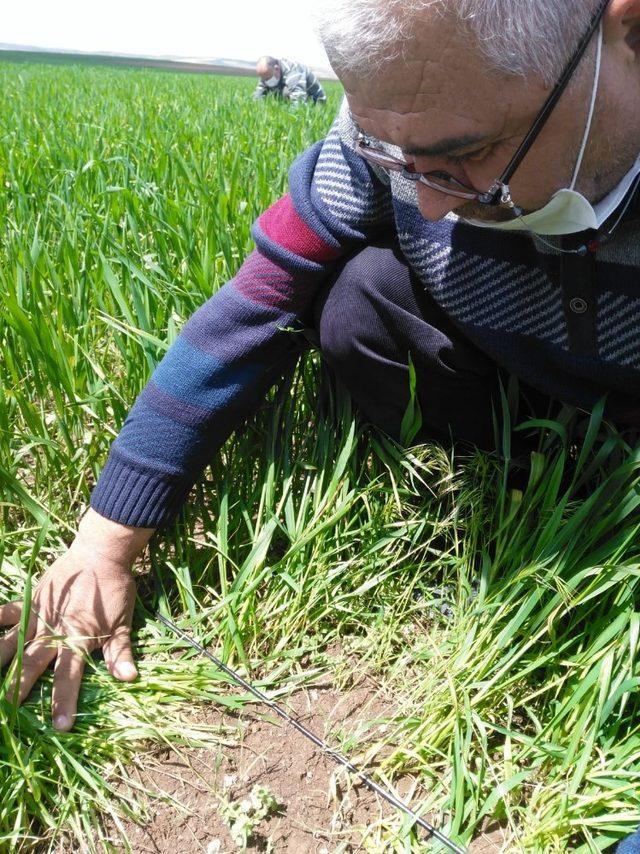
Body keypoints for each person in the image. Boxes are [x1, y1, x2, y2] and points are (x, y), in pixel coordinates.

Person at [1, 0, 639, 749]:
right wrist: (104, 543)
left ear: (625, 33)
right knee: (359, 294)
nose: (429, 201)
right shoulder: (395, 142)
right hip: (513, 383)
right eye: (397, 158)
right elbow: (253, 306)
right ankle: (521, 485)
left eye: (470, 152)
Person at [253, 54, 326, 103]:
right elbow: (258, 93)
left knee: (285, 92)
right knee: (275, 92)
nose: (265, 81)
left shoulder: (293, 70)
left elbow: (299, 98)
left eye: (267, 78)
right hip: (295, 94)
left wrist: (288, 119)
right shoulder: (267, 73)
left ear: (276, 69)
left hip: (315, 100)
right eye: (263, 78)